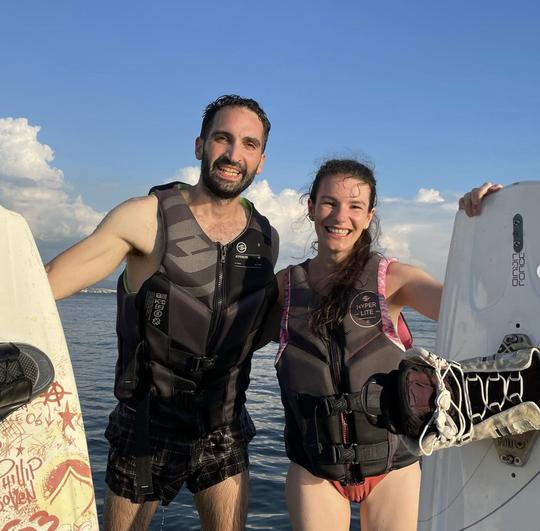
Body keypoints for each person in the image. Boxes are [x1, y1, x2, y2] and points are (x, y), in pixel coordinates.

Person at [46, 95, 279, 531]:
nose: (233, 155)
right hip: (147, 424)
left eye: (249, 144)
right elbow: (46, 285)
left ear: (261, 160)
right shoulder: (144, 218)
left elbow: (253, 326)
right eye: (222, 139)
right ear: (199, 145)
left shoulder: (265, 237)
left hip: (223, 424)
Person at [273, 159, 501, 531]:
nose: (340, 216)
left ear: (369, 215)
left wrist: (489, 227)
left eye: (355, 206)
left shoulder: (392, 279)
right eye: (328, 202)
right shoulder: (284, 288)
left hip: (393, 468)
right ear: (310, 206)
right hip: (316, 470)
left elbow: (475, 310)